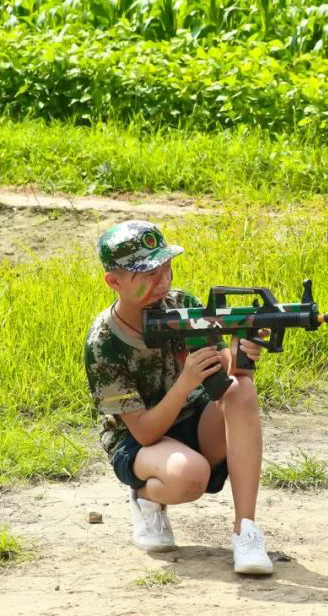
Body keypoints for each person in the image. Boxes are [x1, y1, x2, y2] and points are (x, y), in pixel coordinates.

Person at [84, 220, 273, 575]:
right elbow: (143, 433)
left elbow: (224, 371)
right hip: (139, 442)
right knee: (190, 477)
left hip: (193, 421)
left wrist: (238, 352)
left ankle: (246, 531)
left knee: (241, 391)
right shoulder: (104, 343)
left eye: (166, 269)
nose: (163, 283)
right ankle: (145, 497)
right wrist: (185, 383)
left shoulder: (182, 305)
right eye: (148, 274)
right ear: (114, 281)